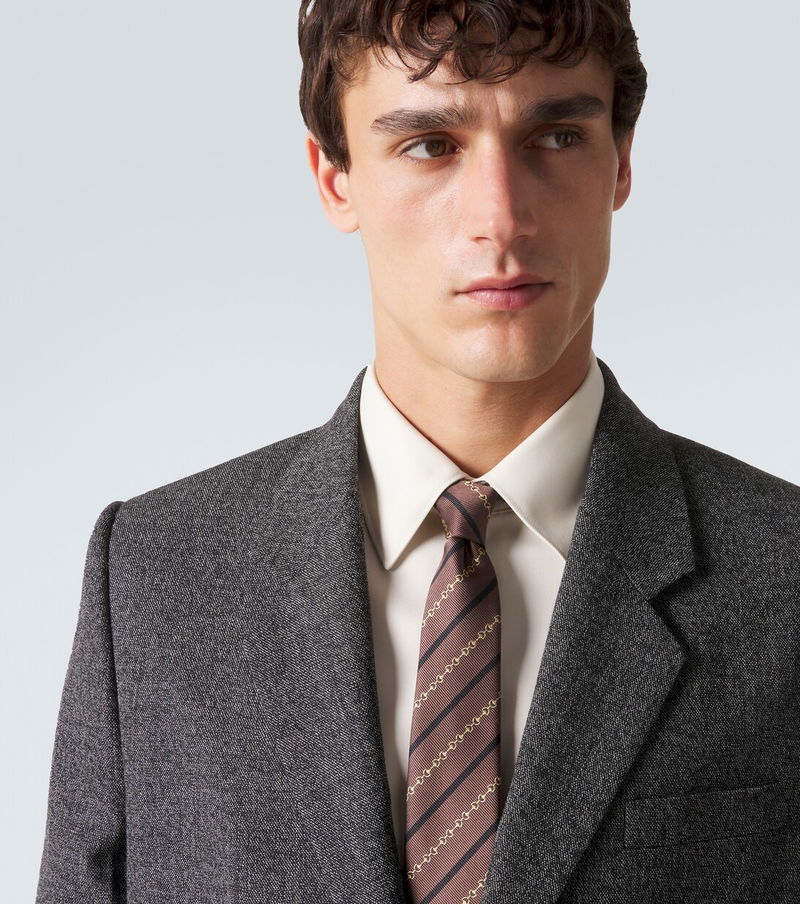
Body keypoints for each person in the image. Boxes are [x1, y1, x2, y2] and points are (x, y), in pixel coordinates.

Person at [37, 2, 800, 902]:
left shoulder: (783, 573)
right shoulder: (156, 576)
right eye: (431, 145)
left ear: (621, 161)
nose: (500, 218)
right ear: (335, 178)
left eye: (556, 137)